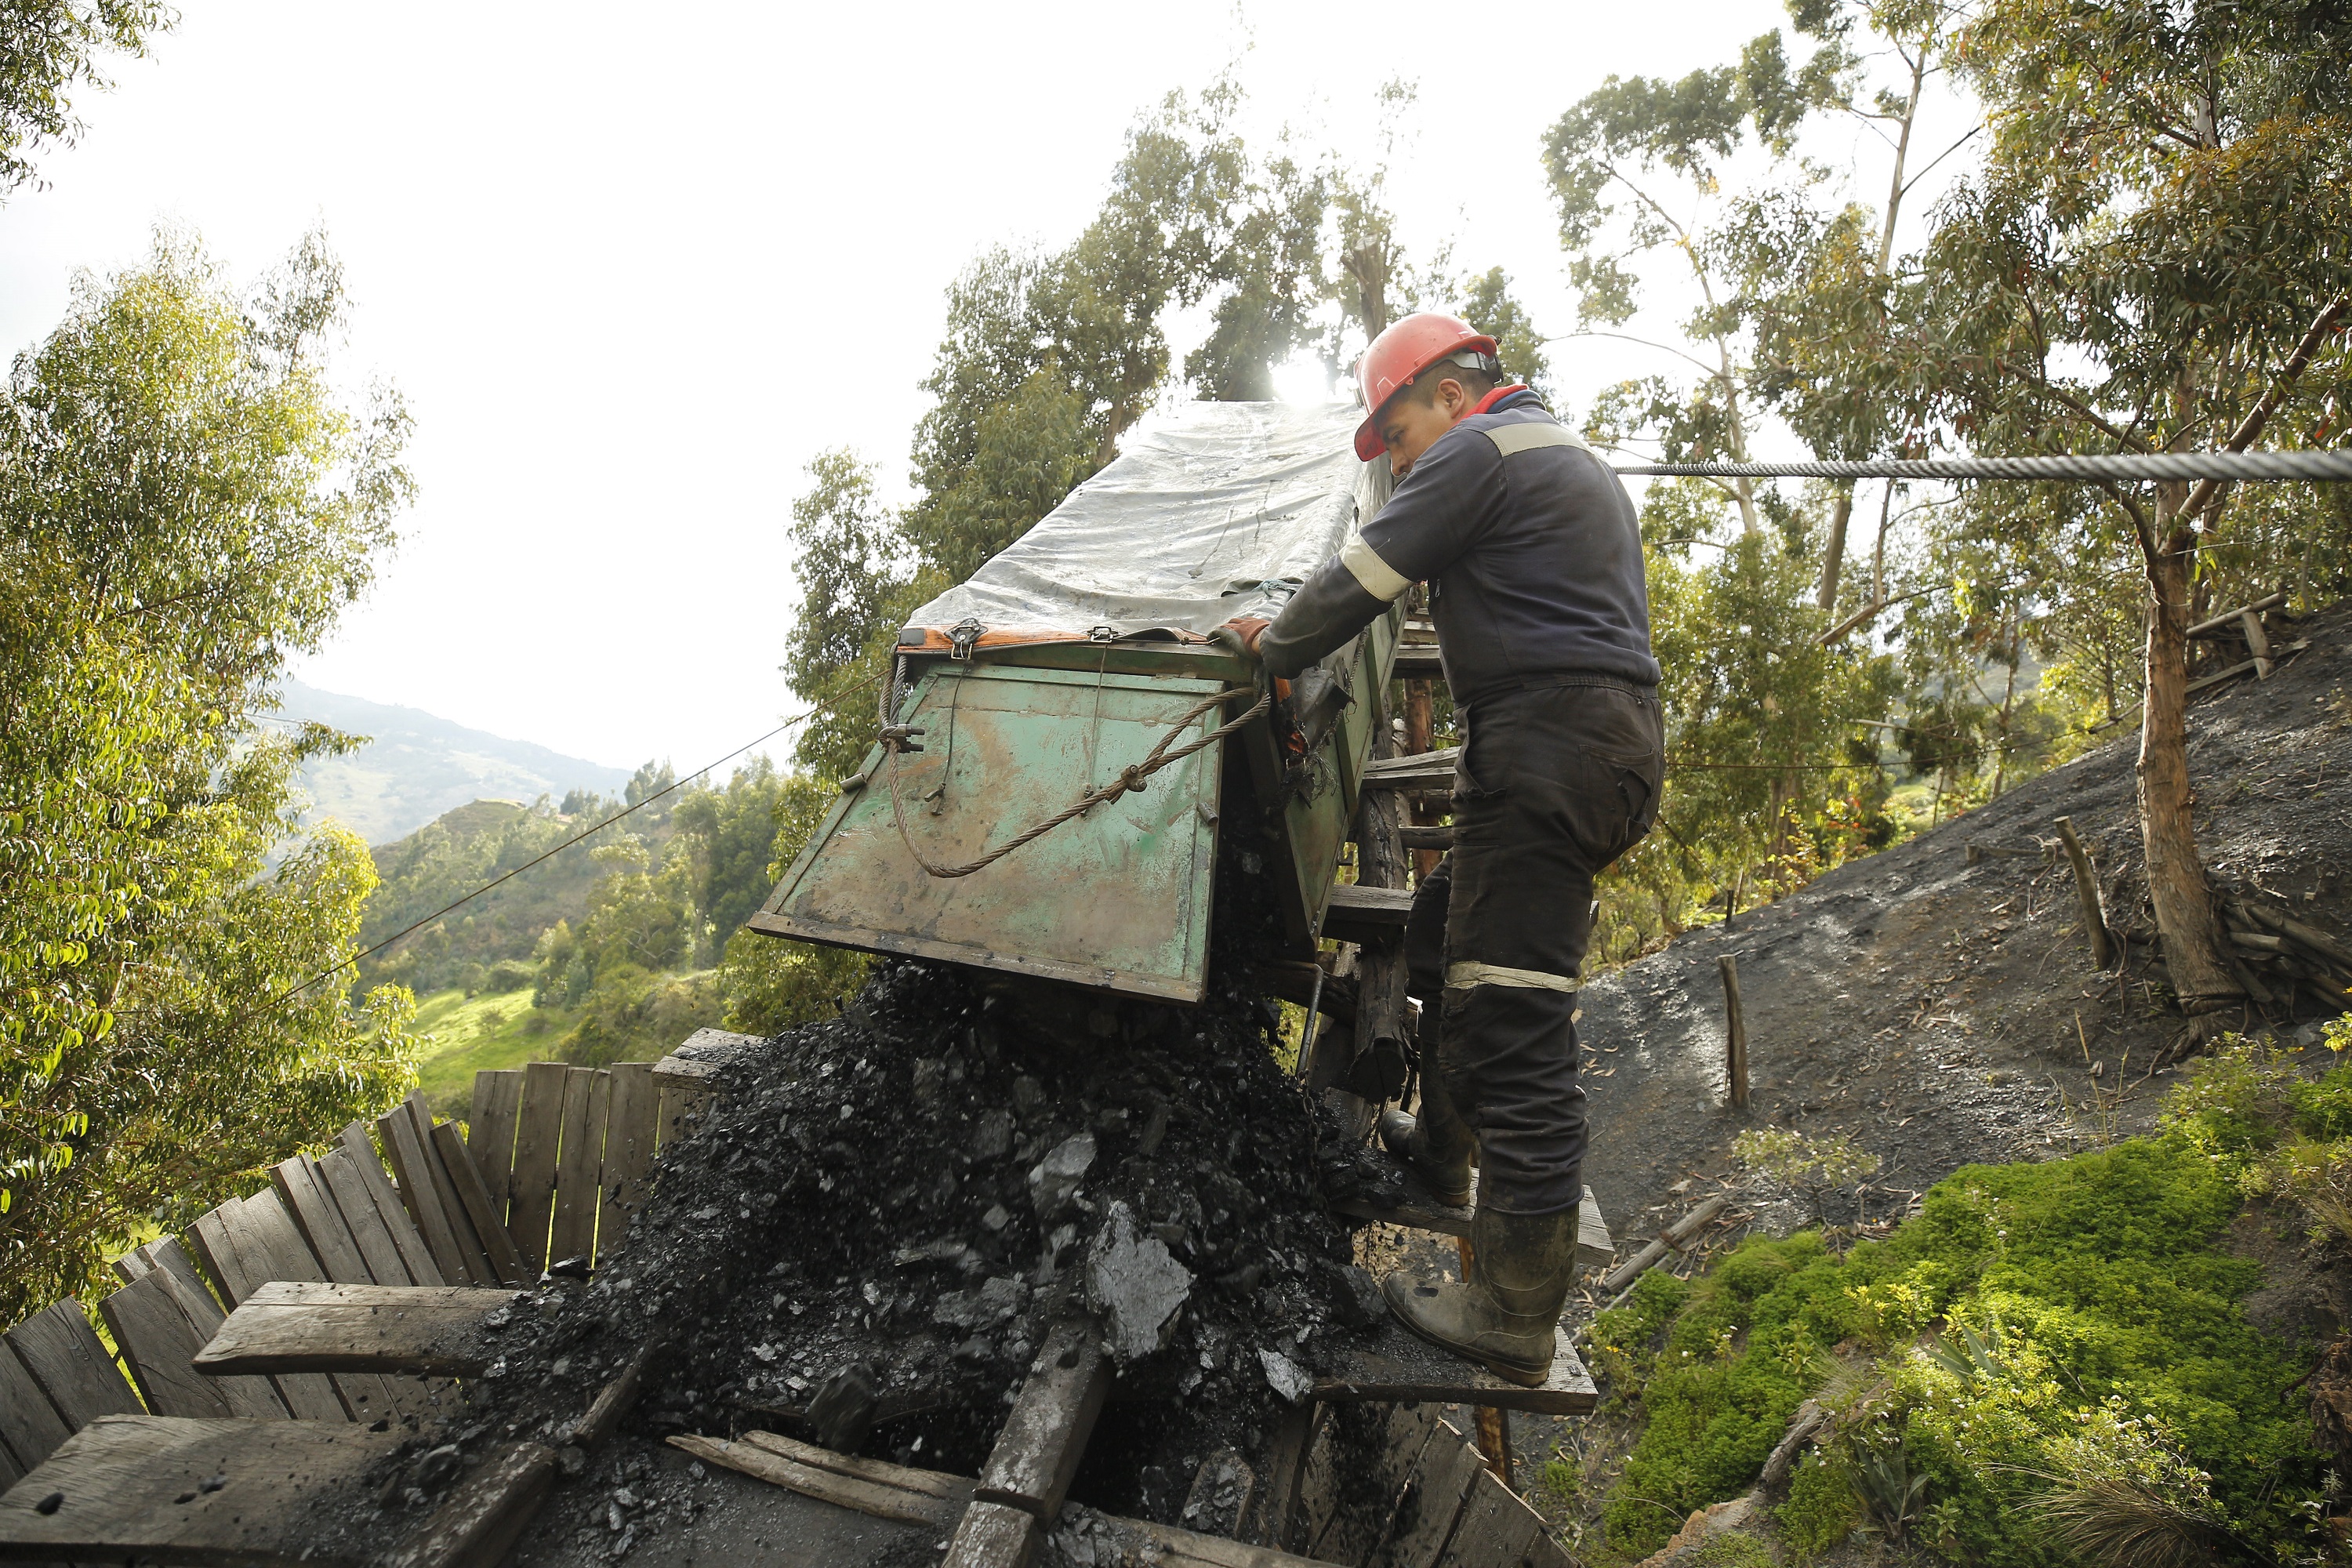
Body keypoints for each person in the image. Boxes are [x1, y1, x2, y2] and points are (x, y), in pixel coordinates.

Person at [1222, 311, 1662, 1386]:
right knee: (1440, 935)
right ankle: (1443, 1155)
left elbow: (1363, 577)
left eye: (1399, 433)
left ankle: (1514, 1313)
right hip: (1593, 752)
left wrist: (1272, 648)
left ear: (1451, 396)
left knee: (1514, 1027)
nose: (1402, 460)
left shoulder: (1479, 451)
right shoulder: (1563, 455)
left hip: (1547, 752)